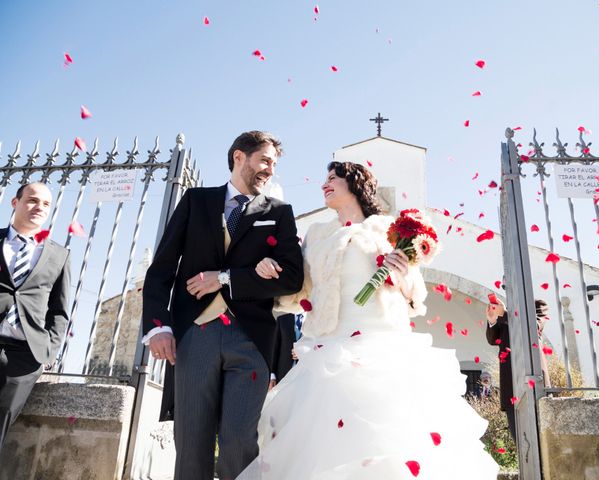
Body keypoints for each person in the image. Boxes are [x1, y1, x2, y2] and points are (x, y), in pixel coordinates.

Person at [237, 161, 498, 479]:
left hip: (381, 342)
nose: (325, 184)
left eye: (333, 178)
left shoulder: (389, 231)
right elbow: (299, 289)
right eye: (324, 179)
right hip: (329, 345)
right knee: (324, 439)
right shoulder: (317, 234)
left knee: (388, 438)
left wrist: (401, 275)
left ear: (355, 184)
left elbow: (416, 298)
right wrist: (270, 270)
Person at [141, 131, 304, 480]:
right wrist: (159, 326)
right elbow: (162, 269)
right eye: (264, 160)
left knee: (240, 443)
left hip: (251, 340)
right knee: (191, 441)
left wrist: (227, 277)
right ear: (239, 157)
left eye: (274, 164)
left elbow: (291, 277)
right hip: (194, 336)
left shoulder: (279, 212)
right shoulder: (195, 201)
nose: (269, 170)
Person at [0, 183, 71, 452]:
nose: (39, 207)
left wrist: (48, 352)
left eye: (45, 204)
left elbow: (59, 310)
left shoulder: (59, 255)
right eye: (32, 200)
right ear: (15, 202)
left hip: (24, 357)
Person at [486, 297, 551, 440]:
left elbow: (532, 328)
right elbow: (493, 339)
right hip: (511, 385)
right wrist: (492, 320)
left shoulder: (538, 305)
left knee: (542, 438)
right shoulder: (505, 314)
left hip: (534, 379)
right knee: (521, 443)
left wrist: (505, 314)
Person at [270, 313, 304, 387]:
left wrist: (304, 352)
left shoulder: (314, 320)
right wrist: (272, 375)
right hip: (283, 374)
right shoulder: (282, 319)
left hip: (305, 375)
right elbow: (275, 348)